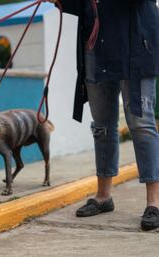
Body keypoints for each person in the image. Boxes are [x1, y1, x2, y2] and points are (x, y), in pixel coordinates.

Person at [45, 0, 159, 230]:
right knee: (101, 124)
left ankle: (154, 202)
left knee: (140, 122)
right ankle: (103, 196)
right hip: (96, 44)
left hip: (135, 41)